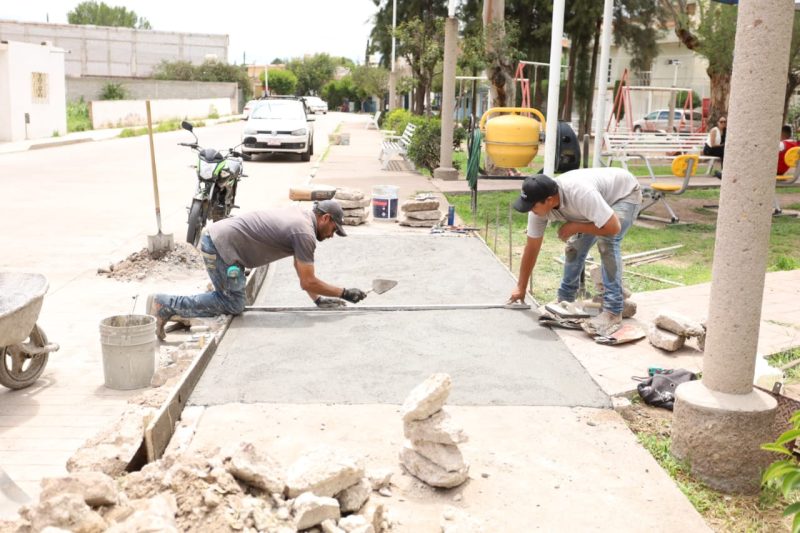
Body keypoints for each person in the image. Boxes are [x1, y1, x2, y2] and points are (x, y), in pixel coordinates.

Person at [147, 200, 367, 339]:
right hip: (220, 247)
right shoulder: (304, 233)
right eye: (333, 229)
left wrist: (317, 300)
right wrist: (345, 293)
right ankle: (165, 304)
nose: (331, 235)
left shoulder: (302, 219)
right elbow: (308, 281)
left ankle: (180, 309)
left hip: (224, 244)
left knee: (231, 300)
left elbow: (301, 272)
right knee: (232, 303)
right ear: (325, 218)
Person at [509, 168, 642, 337]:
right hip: (594, 204)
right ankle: (565, 299)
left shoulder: (580, 194)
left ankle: (613, 310)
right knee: (574, 248)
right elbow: (532, 247)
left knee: (607, 242)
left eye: (532, 206)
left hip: (624, 194)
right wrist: (521, 287)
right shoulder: (538, 208)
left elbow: (613, 227)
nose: (530, 210)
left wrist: (575, 226)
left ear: (549, 200)